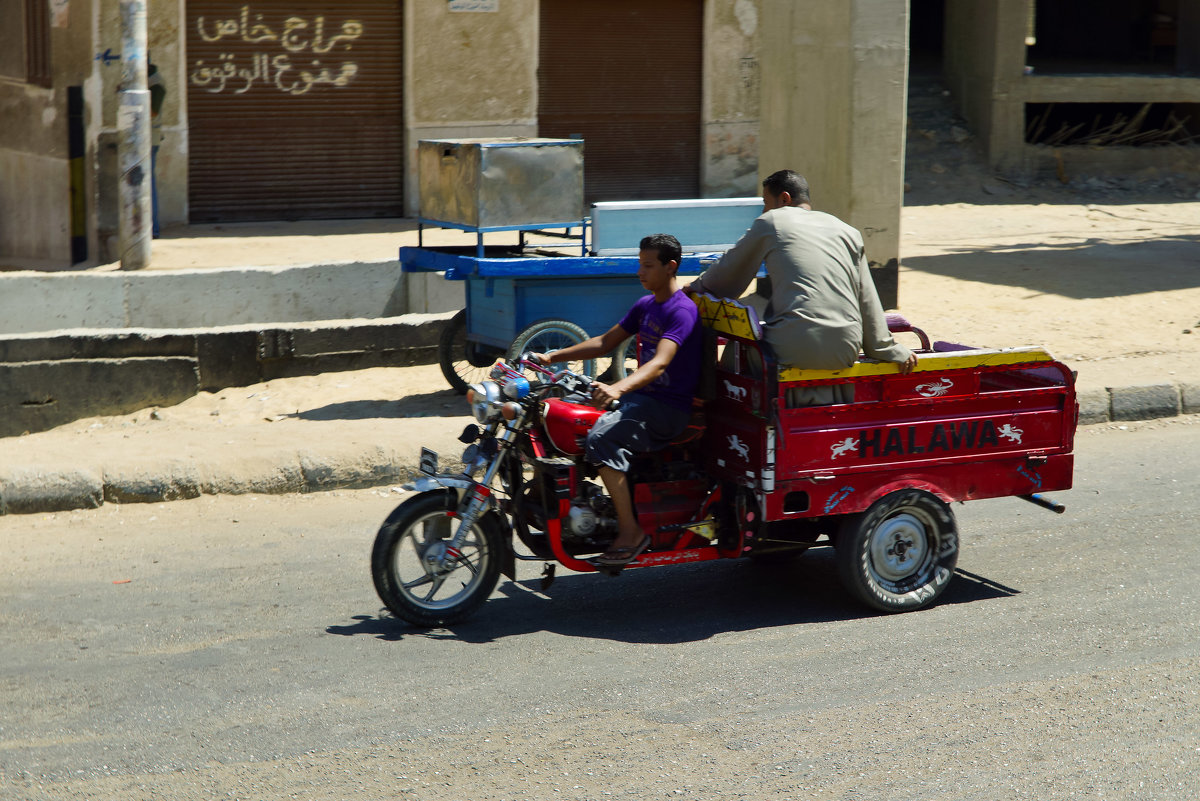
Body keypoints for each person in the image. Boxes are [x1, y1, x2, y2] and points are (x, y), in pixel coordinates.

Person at [533, 233, 702, 567]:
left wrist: (618, 388)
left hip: (668, 408)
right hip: (643, 399)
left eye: (648, 266)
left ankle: (630, 531)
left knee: (601, 438)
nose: (640, 272)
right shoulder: (646, 305)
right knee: (563, 412)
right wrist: (552, 358)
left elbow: (660, 363)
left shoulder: (682, 310)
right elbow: (603, 342)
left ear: (671, 267)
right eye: (639, 264)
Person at [684, 170, 916, 388]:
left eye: (765, 203)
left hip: (793, 346)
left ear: (784, 198)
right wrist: (886, 349)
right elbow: (867, 299)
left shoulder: (773, 221)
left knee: (737, 345)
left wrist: (695, 289)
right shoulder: (848, 231)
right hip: (845, 348)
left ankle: (716, 415)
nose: (764, 211)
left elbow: (726, 275)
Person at [148, 56, 166, 239]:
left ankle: (153, 229)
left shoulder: (156, 84)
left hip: (149, 140)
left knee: (148, 185)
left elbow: (153, 112)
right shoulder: (147, 82)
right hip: (142, 140)